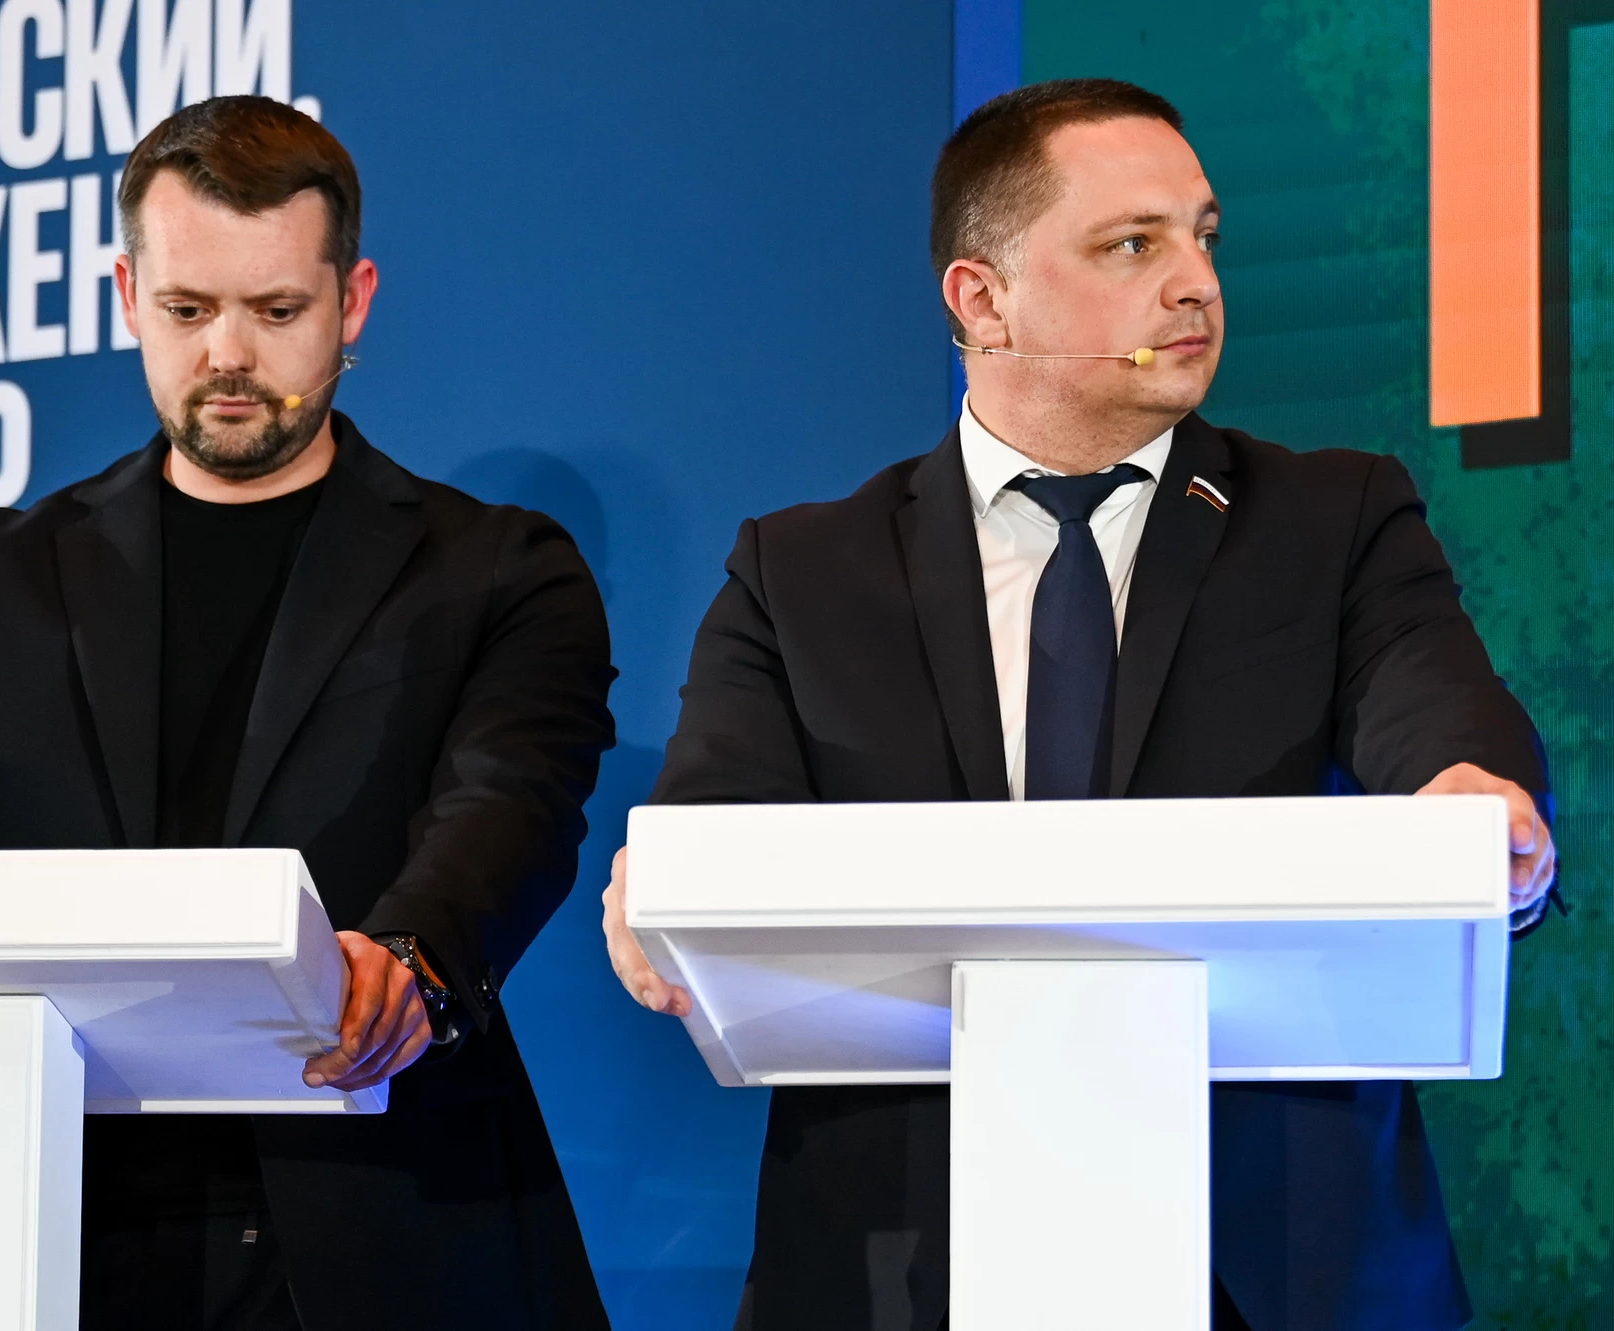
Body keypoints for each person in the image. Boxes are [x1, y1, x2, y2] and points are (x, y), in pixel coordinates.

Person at [601, 79, 1560, 1331]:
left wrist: (1472, 793)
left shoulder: (1332, 520)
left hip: (1272, 1254)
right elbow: (716, 813)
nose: (1194, 284)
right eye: (1130, 245)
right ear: (981, 299)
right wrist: (665, 885)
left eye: (1201, 237)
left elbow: (1429, 701)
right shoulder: (802, 570)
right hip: (904, 1256)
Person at [0, 96, 615, 1330]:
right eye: (187, 309)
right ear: (126, 296)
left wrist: (408, 958)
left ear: (352, 300)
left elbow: (509, 801)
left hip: (388, 1206)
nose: (227, 354)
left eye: (275, 310)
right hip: (37, 1213)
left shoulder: (496, 570)